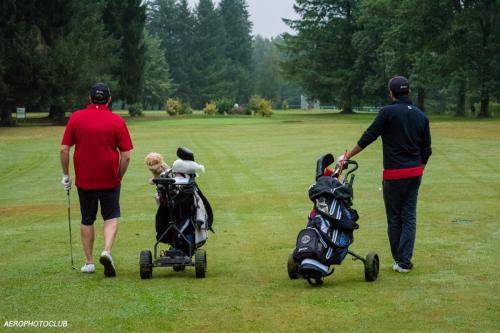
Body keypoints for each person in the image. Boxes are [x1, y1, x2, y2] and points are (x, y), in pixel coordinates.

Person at [339, 75, 432, 273]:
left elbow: (368, 136)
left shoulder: (387, 113)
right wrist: (419, 169)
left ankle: (400, 260)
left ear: (392, 93)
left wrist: (347, 156)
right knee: (409, 217)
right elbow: (427, 150)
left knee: (395, 218)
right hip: (415, 173)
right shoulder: (421, 116)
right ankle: (404, 262)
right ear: (409, 92)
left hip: (394, 175)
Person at [60, 82, 133, 277]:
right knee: (110, 216)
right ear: (109, 99)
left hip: (85, 179)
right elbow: (126, 155)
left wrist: (66, 175)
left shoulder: (76, 118)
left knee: (87, 218)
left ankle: (89, 262)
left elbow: (64, 149)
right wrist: (119, 176)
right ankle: (106, 251)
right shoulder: (117, 121)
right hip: (109, 177)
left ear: (89, 98)